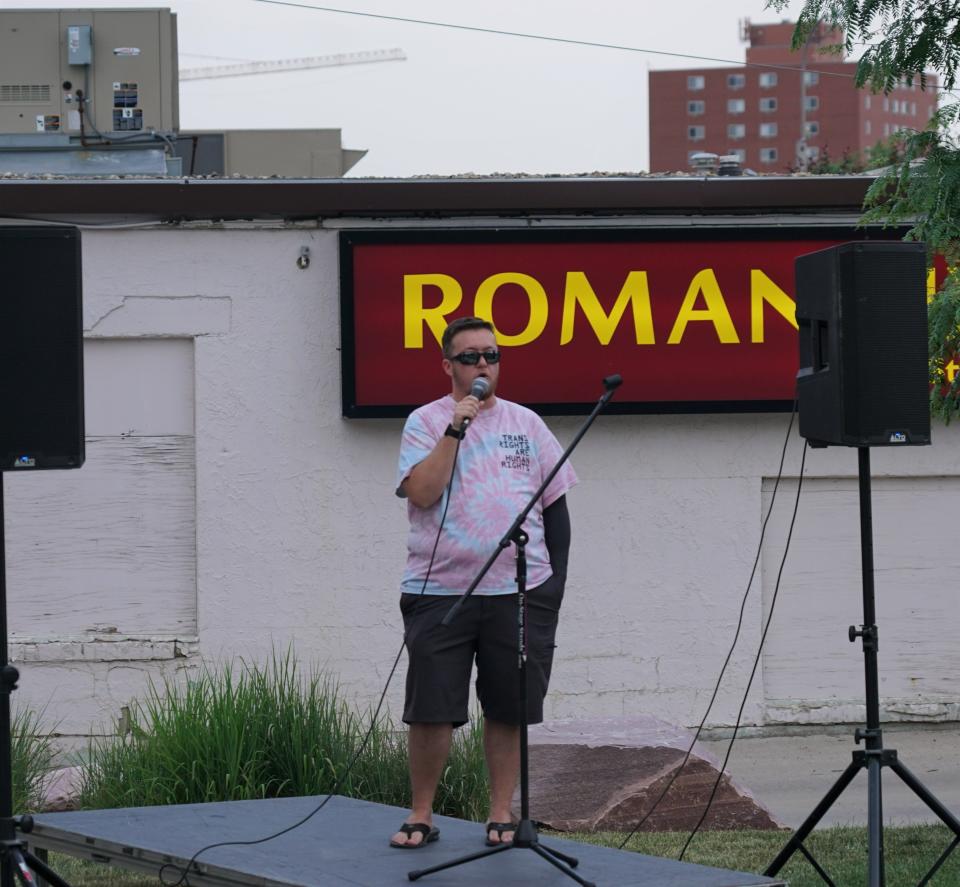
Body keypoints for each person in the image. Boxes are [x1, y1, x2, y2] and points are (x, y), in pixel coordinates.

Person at [389, 316, 576, 850]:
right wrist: (456, 427)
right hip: (440, 591)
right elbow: (422, 493)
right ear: (448, 365)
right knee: (431, 708)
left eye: (491, 356)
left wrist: (553, 587)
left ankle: (501, 812)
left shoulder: (527, 423)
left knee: (508, 706)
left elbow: (556, 511)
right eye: (470, 357)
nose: (483, 366)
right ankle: (421, 813)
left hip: (520, 591)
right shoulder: (425, 421)